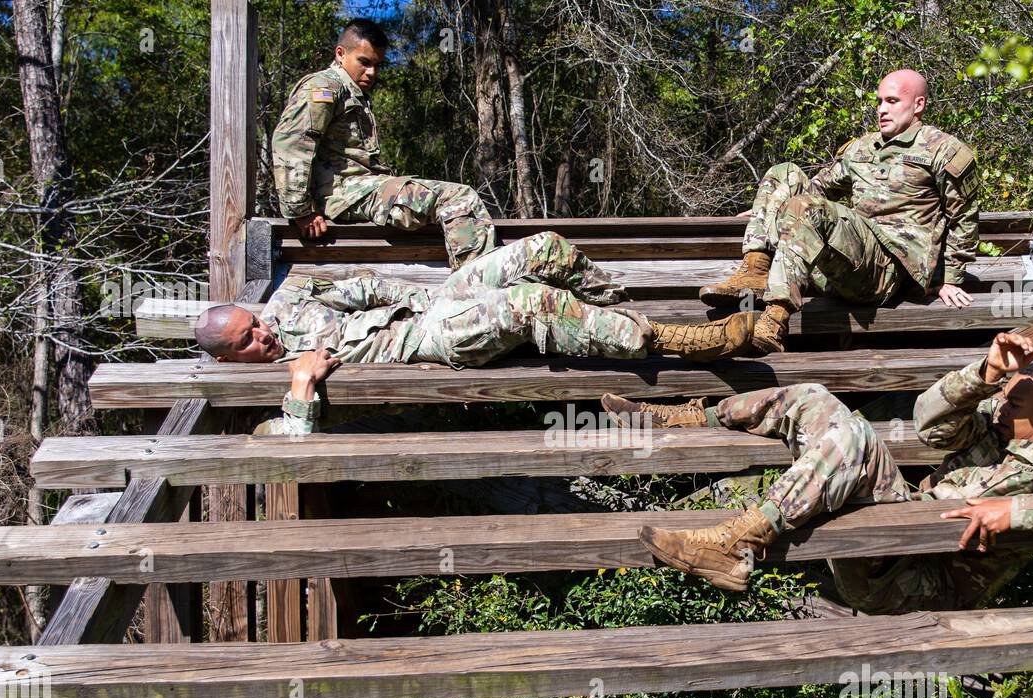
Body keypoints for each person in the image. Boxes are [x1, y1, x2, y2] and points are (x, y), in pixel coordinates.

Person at [601, 331, 1033, 613]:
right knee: (815, 398)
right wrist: (987, 373)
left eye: (1014, 404)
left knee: (852, 438)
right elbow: (928, 420)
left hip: (920, 579)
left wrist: (1015, 510)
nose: (1000, 408)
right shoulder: (990, 429)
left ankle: (736, 541)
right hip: (899, 523)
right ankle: (694, 415)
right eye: (1003, 398)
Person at [195, 231, 753, 435]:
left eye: (256, 324)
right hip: (429, 344)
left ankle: (615, 314)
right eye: (247, 340)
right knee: (532, 304)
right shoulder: (271, 392)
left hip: (434, 305)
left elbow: (362, 287)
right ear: (226, 361)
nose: (263, 334)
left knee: (547, 247)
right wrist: (301, 390)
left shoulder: (287, 302)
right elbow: (286, 451)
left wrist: (431, 294)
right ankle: (670, 339)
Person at [700, 69, 979, 354]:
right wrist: (768, 208)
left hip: (882, 271)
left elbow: (963, 218)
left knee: (806, 207)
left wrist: (949, 279)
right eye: (879, 101)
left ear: (918, 104)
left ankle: (773, 323)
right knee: (783, 173)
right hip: (843, 262)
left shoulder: (942, 150)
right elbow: (818, 188)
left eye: (892, 101)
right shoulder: (862, 147)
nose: (881, 109)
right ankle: (755, 272)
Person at [273, 18, 496, 269]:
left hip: (361, 189)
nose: (372, 73)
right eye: (364, 63)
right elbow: (293, 142)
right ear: (340, 54)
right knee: (459, 197)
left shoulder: (351, 92)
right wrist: (300, 211)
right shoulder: (324, 86)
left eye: (377, 65)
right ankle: (477, 287)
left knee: (451, 203)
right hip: (348, 194)